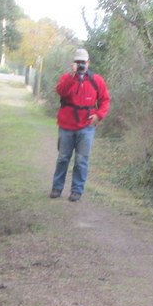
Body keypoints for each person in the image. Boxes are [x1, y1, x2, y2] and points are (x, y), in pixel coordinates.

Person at [50, 48, 110, 202]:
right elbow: (61, 91)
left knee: (82, 160)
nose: (81, 65)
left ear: (88, 63)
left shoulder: (97, 80)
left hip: (87, 126)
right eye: (78, 62)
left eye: (83, 62)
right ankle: (57, 187)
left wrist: (99, 115)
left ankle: (77, 190)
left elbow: (105, 100)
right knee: (63, 158)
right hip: (66, 125)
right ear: (73, 63)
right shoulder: (66, 78)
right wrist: (72, 76)